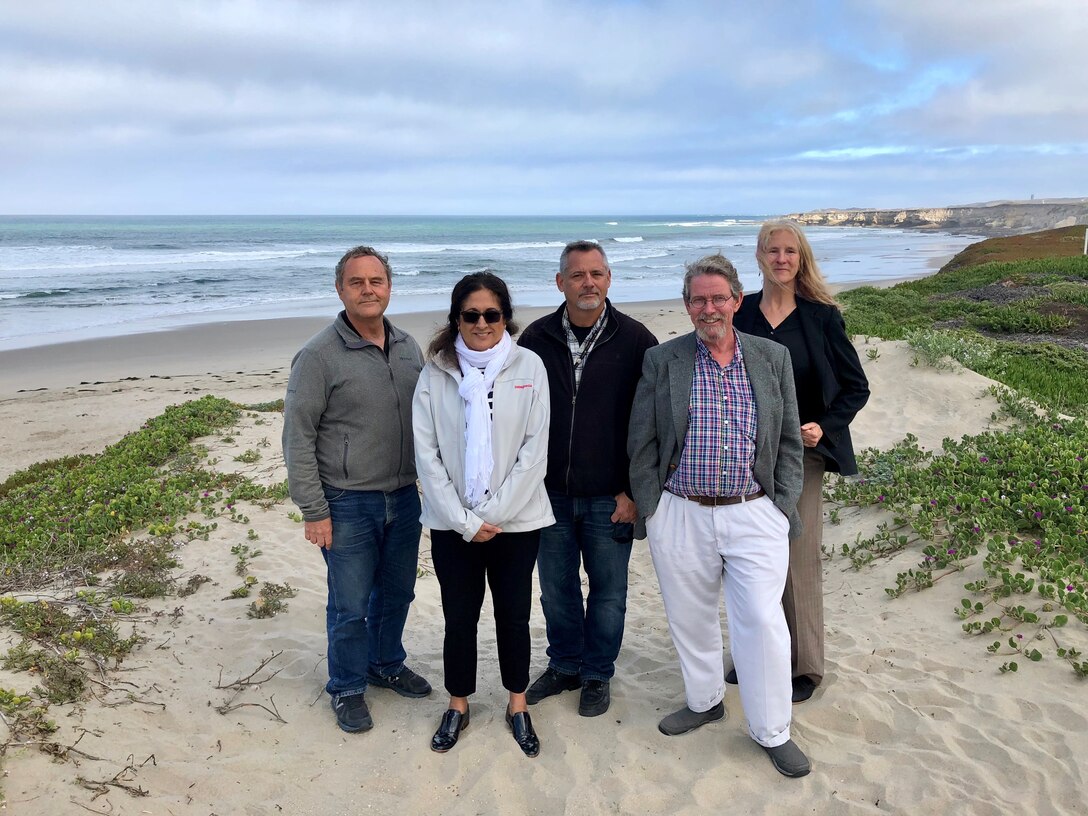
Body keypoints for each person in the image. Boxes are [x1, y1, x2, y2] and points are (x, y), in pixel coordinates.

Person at [628, 253, 810, 778]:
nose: (709, 307)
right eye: (698, 299)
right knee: (691, 617)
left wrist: (781, 506)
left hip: (754, 512)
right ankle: (705, 701)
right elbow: (642, 443)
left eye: (718, 297)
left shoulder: (771, 357)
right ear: (687, 306)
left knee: (761, 620)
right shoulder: (664, 361)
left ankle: (773, 729)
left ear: (737, 300)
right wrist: (655, 511)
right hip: (681, 511)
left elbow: (788, 438)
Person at [282, 245, 432, 734]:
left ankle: (385, 664)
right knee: (348, 604)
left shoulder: (409, 346)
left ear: (389, 287)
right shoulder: (318, 355)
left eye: (377, 281)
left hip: (405, 497)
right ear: (340, 289)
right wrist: (313, 509)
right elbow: (297, 436)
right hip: (346, 503)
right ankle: (347, 686)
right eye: (356, 282)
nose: (368, 290)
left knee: (397, 594)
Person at [412, 272, 554, 758]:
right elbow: (426, 455)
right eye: (470, 315)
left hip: (517, 522)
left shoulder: (529, 366)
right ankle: (458, 703)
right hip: (454, 525)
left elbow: (535, 452)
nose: (481, 323)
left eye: (491, 314)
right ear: (457, 318)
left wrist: (493, 514)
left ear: (504, 318)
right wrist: (467, 521)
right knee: (459, 618)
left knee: (514, 616)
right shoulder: (434, 371)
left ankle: (518, 704)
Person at [518, 240, 658, 717]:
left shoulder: (637, 340)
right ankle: (565, 665)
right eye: (577, 275)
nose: (588, 283)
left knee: (609, 593)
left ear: (609, 279)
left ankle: (597, 673)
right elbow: (516, 419)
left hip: (611, 496)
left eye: (596, 273)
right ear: (560, 282)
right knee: (555, 589)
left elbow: (651, 425)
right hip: (547, 494)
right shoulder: (534, 340)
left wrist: (634, 491)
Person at [732, 220, 870, 703]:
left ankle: (805, 666)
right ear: (759, 256)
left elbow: (856, 387)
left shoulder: (821, 316)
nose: (782, 259)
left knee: (797, 558)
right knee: (746, 556)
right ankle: (750, 653)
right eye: (774, 250)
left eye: (790, 251)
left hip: (801, 455)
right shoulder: (740, 311)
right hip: (741, 454)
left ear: (800, 257)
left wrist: (824, 426)